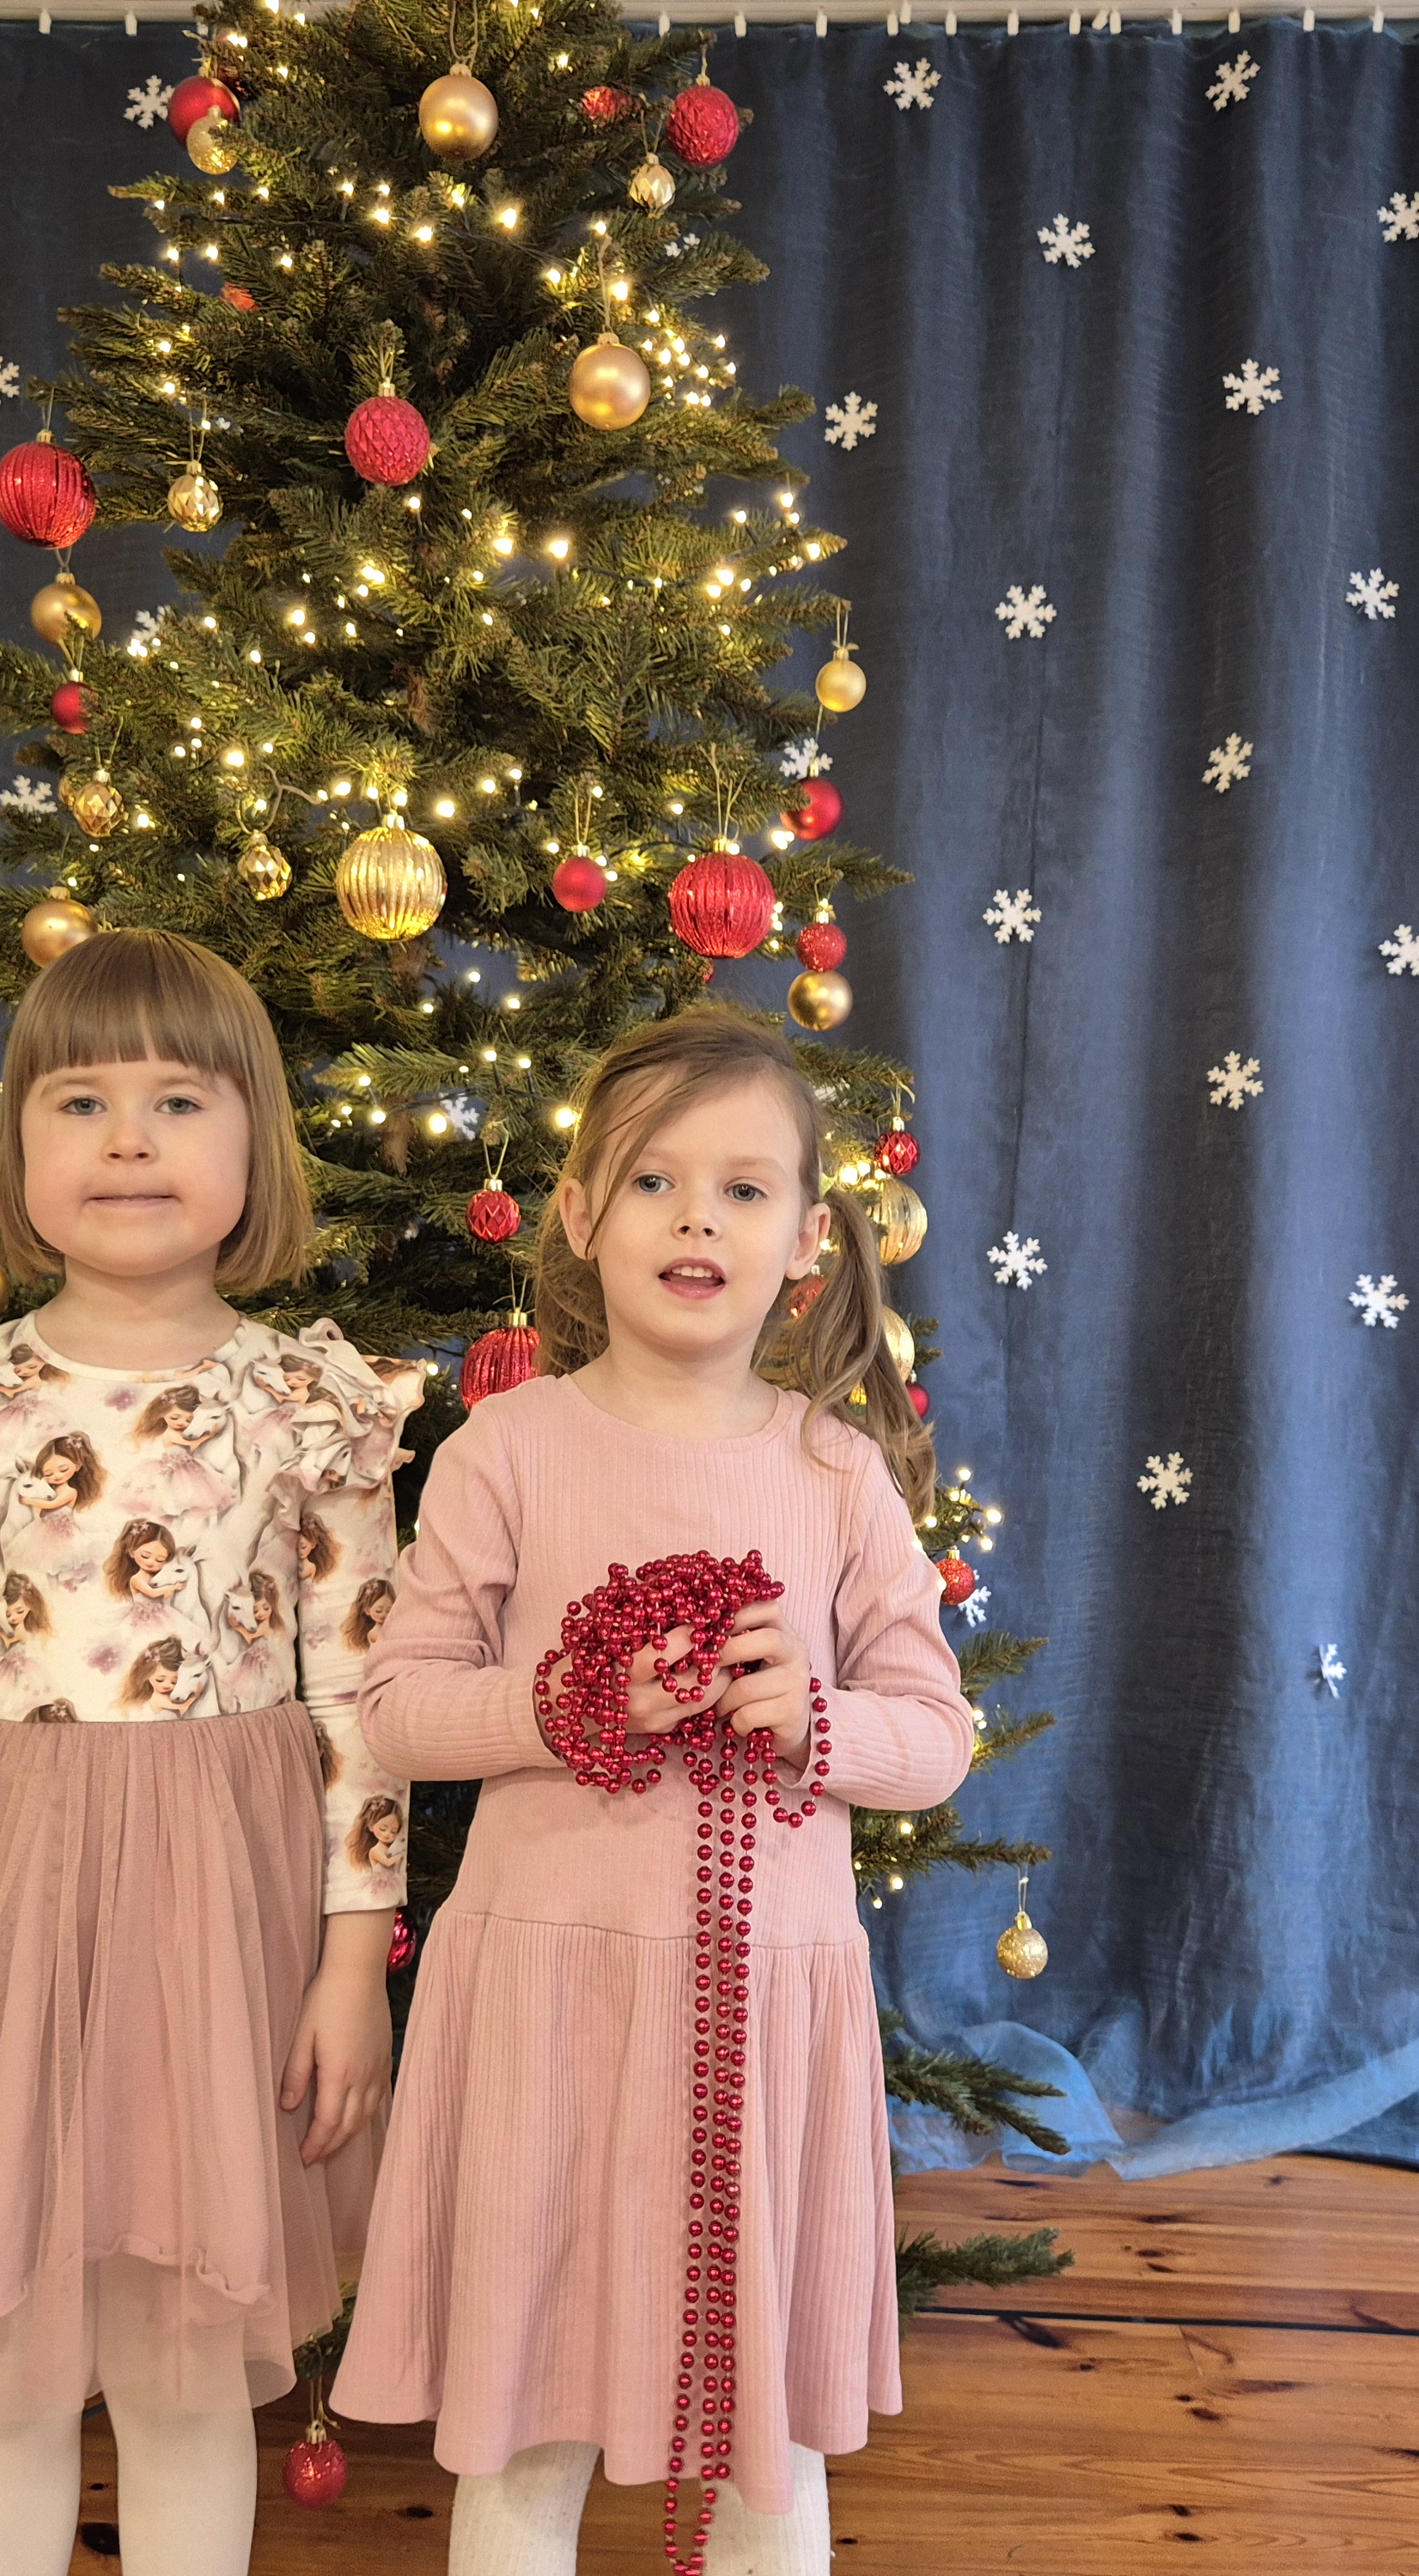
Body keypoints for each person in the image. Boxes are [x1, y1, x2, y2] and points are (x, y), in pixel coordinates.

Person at [0, 927, 407, 2576]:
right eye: (81, 1102)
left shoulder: (307, 1403)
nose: (128, 1139)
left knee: (186, 2366)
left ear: (254, 1145)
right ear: (18, 1154)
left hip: (218, 1914)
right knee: (7, 2360)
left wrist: (354, 1966)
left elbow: (362, 1700)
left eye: (179, 1101)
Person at [338, 1005, 976, 2574]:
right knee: (526, 2410)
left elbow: (936, 1736)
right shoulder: (504, 1449)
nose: (699, 1219)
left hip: (761, 2012)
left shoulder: (838, 1474)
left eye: (743, 1189)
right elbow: (397, 1709)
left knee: (765, 2439)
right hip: (546, 2006)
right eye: (654, 1182)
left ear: (806, 1238)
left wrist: (812, 1722)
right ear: (579, 1214)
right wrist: (567, 1705)